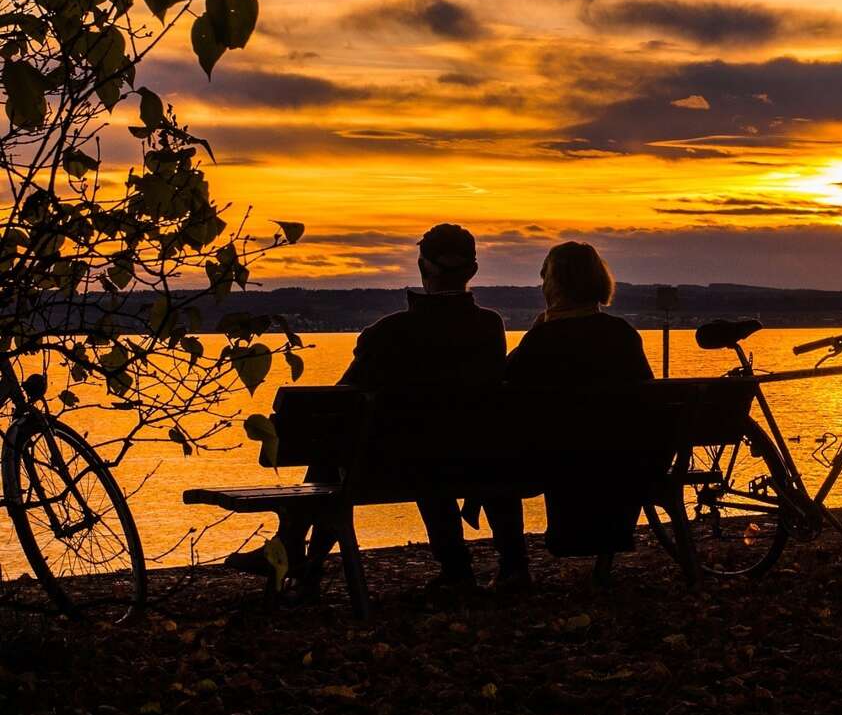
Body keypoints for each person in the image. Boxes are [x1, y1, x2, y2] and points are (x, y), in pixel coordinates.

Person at [226, 223, 511, 590]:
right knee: (391, 446)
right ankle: (299, 553)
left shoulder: (389, 333)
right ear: (472, 270)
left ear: (424, 267)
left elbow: (338, 402)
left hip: (391, 468)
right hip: (474, 460)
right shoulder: (490, 327)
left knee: (338, 442)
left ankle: (295, 550)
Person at [504, 242, 654, 571]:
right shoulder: (623, 334)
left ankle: (513, 567)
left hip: (561, 459)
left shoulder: (544, 339)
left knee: (493, 466)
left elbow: (504, 383)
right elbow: (648, 397)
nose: (542, 283)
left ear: (556, 283)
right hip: (626, 458)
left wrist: (537, 329)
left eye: (544, 276)